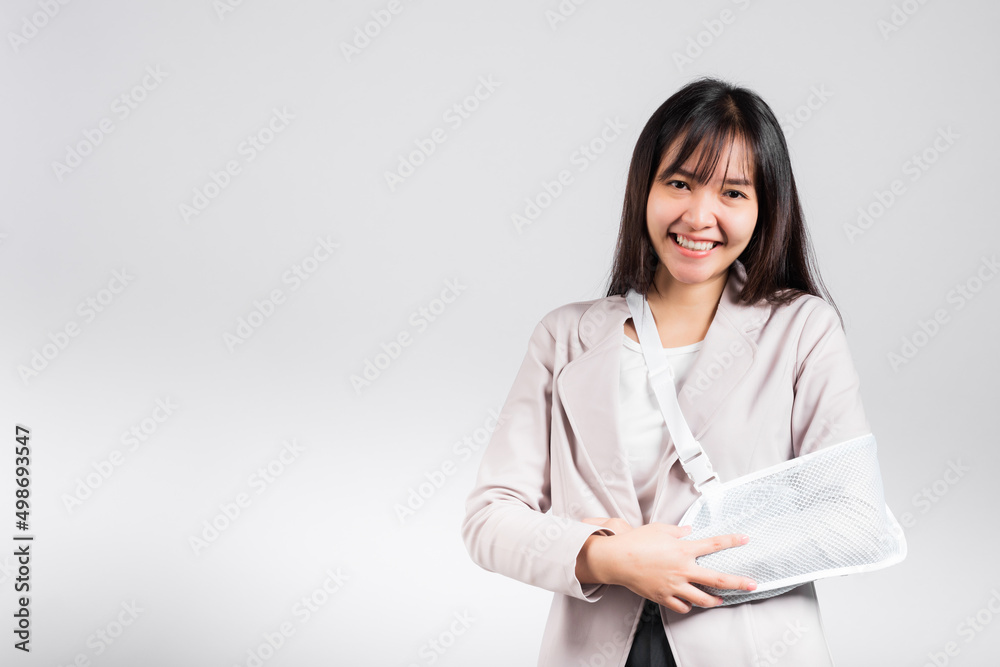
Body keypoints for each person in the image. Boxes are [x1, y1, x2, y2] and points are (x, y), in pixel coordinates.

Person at [461, 76, 871, 666]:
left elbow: (851, 517)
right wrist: (610, 558)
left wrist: (683, 561)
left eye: (733, 192)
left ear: (765, 207)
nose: (699, 216)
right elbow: (490, 518)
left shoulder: (803, 328)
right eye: (679, 183)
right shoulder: (563, 337)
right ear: (644, 189)